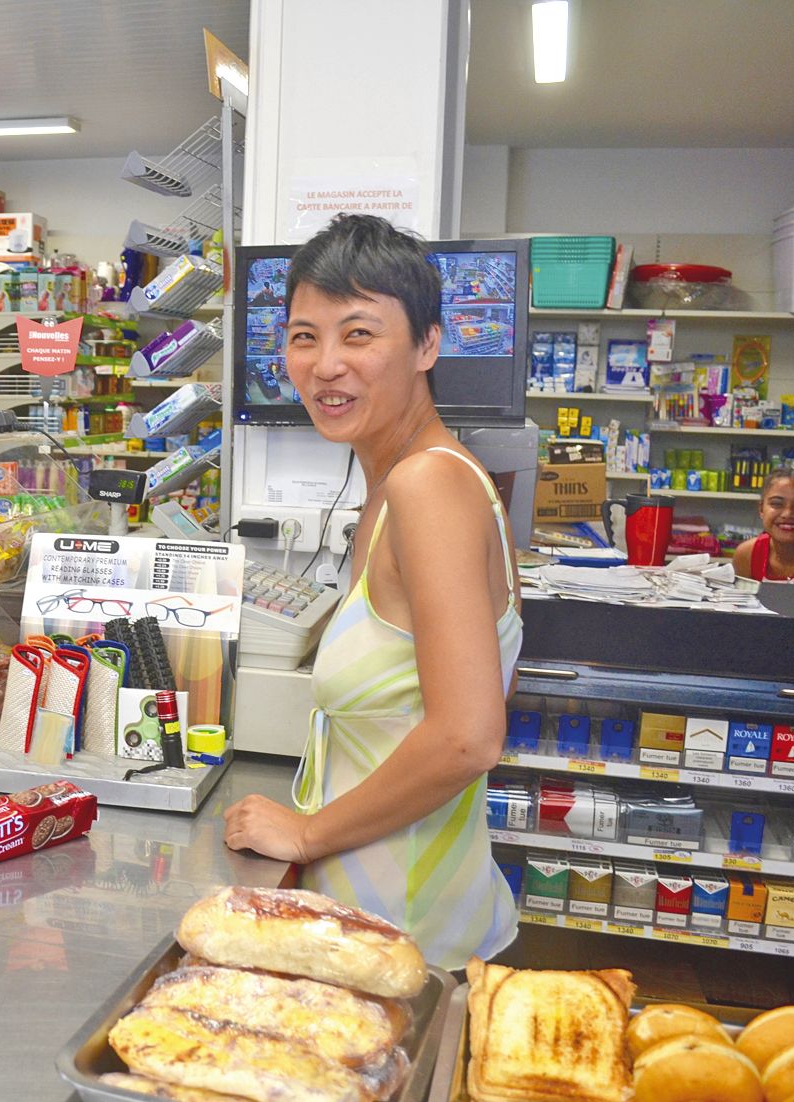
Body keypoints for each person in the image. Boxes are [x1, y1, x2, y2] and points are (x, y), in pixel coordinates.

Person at [221, 214, 521, 969]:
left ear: (427, 345)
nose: (325, 365)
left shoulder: (429, 486)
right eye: (303, 336)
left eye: (358, 334)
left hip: (410, 936)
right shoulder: (392, 483)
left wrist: (306, 833)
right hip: (384, 919)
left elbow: (467, 735)